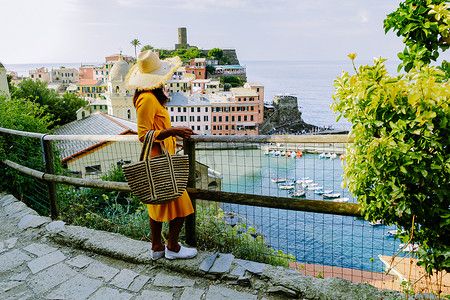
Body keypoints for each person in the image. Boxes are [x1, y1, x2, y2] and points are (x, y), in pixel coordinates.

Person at [125, 50, 198, 260]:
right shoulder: (147, 99)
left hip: (160, 158)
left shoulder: (149, 97)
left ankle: (156, 248)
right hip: (159, 161)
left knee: (156, 204)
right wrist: (174, 131)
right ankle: (172, 246)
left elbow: (156, 128)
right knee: (183, 205)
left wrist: (172, 134)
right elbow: (143, 135)